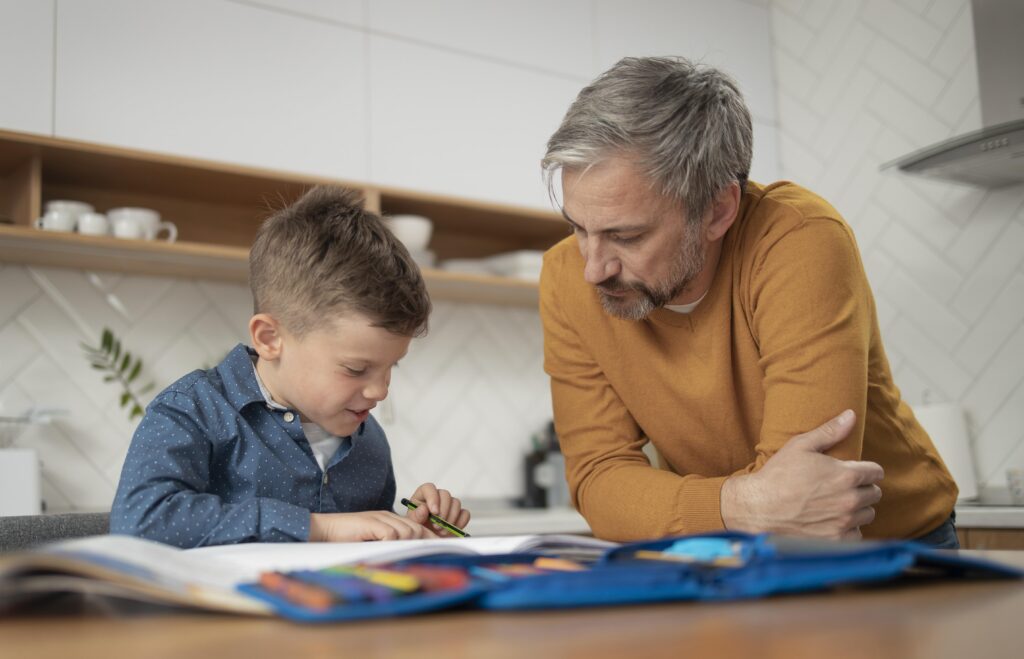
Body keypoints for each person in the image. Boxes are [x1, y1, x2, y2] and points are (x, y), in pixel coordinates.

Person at [539, 57, 959, 548]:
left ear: (718, 210)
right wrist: (742, 505)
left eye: (626, 236)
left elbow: (811, 497)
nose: (594, 268)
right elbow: (597, 480)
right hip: (725, 548)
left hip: (897, 546)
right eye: (577, 227)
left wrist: (688, 508)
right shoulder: (565, 277)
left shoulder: (799, 241)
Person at [111, 186, 470, 548]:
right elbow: (140, 522)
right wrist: (320, 528)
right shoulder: (192, 410)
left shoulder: (370, 441)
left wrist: (410, 531)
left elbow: (365, 552)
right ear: (269, 339)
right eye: (355, 369)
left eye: (392, 366)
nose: (380, 391)